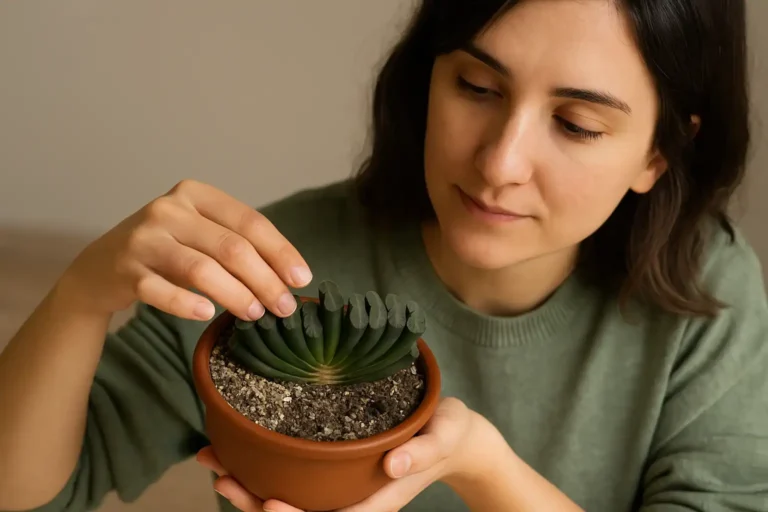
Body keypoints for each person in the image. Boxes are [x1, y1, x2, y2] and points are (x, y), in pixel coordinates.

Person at [1, 0, 766, 510]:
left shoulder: (708, 295)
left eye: (576, 125)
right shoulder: (274, 268)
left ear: (660, 152)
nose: (500, 162)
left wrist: (484, 471)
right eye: (477, 86)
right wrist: (81, 295)